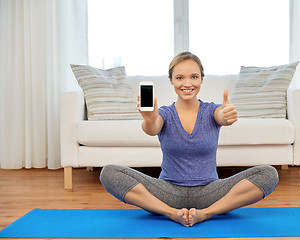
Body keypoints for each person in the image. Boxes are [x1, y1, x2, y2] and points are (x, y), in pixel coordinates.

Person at [100, 52, 279, 227]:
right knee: (108, 172)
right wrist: (148, 118)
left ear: (202, 79)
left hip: (210, 192)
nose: (187, 83)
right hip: (167, 192)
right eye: (179, 78)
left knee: (269, 174)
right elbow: (152, 128)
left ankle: (206, 213)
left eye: (194, 77)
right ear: (171, 80)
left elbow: (221, 117)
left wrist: (227, 116)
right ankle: (170, 213)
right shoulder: (164, 113)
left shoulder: (212, 110)